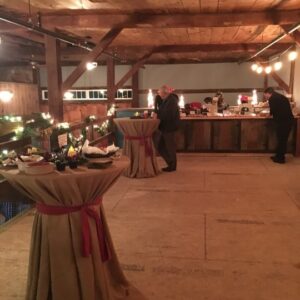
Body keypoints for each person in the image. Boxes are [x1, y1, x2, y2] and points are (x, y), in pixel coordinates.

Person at [263, 87, 294, 164]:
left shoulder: (272, 98)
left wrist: (269, 114)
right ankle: (278, 156)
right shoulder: (279, 96)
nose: (265, 97)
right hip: (287, 121)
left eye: (265, 95)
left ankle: (280, 159)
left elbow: (273, 109)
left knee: (282, 140)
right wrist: (270, 113)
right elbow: (276, 109)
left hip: (283, 122)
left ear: (268, 93)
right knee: (282, 140)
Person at [156, 85, 180, 172]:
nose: (158, 94)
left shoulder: (171, 101)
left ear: (164, 92)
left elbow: (168, 114)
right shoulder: (167, 100)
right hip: (166, 127)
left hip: (169, 127)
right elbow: (163, 112)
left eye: (159, 92)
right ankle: (171, 164)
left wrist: (158, 116)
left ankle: (172, 166)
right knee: (161, 147)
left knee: (169, 147)